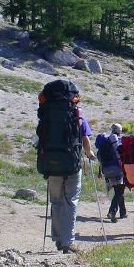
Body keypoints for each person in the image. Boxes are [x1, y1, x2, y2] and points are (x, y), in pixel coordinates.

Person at [48, 99, 95, 254]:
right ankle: (68, 241)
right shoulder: (78, 117)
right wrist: (89, 154)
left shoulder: (47, 115)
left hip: (52, 165)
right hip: (72, 165)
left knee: (56, 201)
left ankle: (58, 239)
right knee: (71, 201)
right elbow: (85, 140)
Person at [102, 123, 126, 223]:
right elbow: (118, 153)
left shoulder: (106, 139)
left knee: (118, 190)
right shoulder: (115, 139)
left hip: (107, 168)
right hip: (117, 167)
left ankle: (123, 212)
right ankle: (112, 212)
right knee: (119, 190)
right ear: (119, 130)